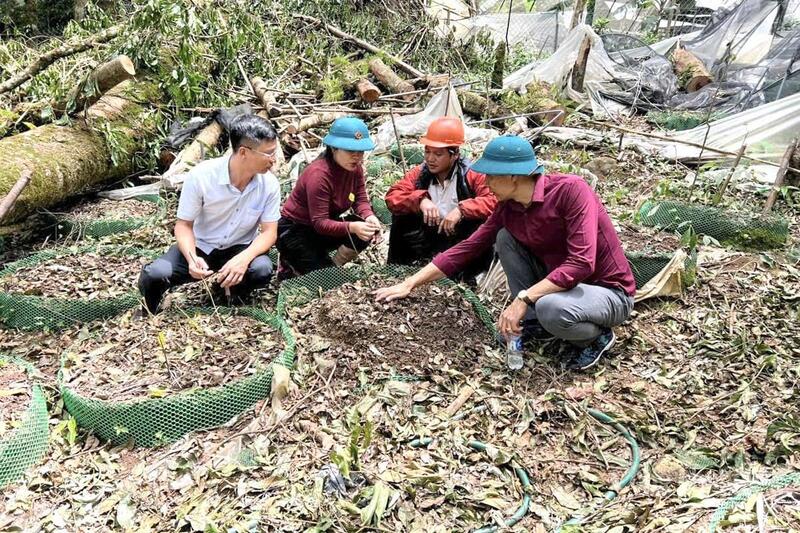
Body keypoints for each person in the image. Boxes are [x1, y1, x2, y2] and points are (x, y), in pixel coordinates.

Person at [375, 135, 636, 371]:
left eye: (491, 176)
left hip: (607, 291)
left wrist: (523, 299)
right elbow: (468, 248)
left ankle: (596, 337)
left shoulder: (571, 191)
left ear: (513, 176)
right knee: (504, 237)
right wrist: (410, 283)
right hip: (560, 285)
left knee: (550, 307)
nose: (486, 183)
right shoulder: (508, 207)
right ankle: (533, 324)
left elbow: (581, 263)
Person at [138, 114, 281, 314]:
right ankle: (148, 309)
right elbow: (183, 225)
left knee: (261, 270)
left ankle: (231, 290)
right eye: (268, 153)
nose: (273, 160)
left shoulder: (269, 185)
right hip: (201, 246)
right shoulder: (202, 176)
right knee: (156, 274)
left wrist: (243, 259)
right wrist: (191, 258)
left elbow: (269, 233)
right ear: (243, 152)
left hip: (239, 247)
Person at [384, 116, 496, 280]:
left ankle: (468, 276)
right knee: (401, 215)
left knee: (479, 224)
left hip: (460, 238)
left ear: (454, 154)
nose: (430, 159)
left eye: (438, 154)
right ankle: (398, 270)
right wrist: (420, 200)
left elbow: (493, 200)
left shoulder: (472, 174)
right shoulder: (420, 173)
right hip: (428, 234)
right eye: (427, 152)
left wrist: (461, 210)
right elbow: (393, 195)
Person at [277, 116, 382, 278]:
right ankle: (293, 264)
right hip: (295, 231)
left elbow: (360, 199)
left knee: (363, 230)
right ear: (334, 149)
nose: (357, 156)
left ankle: (331, 265)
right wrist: (352, 227)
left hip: (322, 228)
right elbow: (319, 222)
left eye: (360, 151)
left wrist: (369, 216)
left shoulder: (355, 170)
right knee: (327, 281)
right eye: (350, 151)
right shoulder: (319, 175)